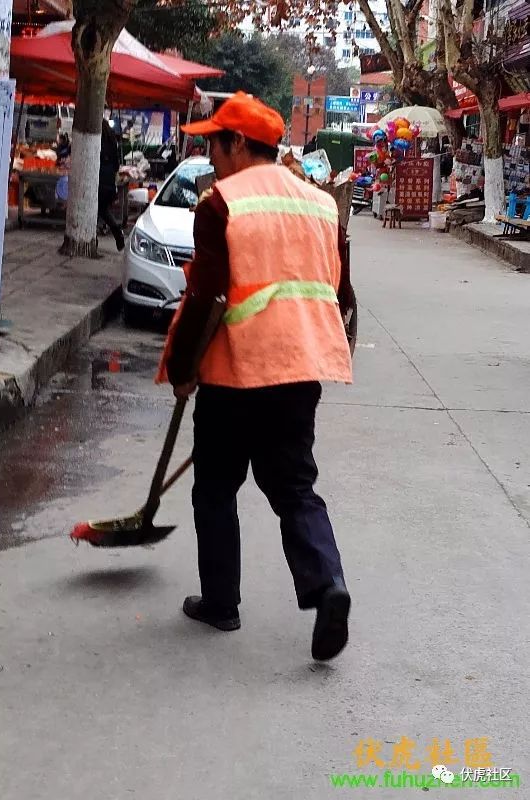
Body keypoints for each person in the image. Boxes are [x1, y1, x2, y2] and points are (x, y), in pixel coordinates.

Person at [157, 92, 354, 661]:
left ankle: (222, 603)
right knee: (294, 487)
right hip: (302, 369)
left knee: (216, 487)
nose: (210, 155)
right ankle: (328, 586)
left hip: (236, 372)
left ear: (239, 143)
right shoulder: (320, 204)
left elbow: (208, 295)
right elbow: (339, 293)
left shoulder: (221, 203)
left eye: (214, 143)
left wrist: (182, 367)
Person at [98, 119, 125, 252]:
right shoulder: (112, 141)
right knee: (103, 209)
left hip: (99, 178)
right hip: (109, 180)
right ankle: (116, 232)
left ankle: (116, 231)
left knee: (100, 209)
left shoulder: (98, 140)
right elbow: (116, 164)